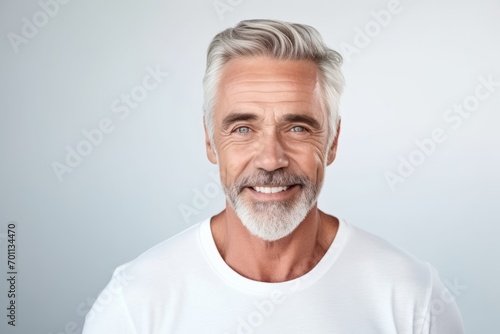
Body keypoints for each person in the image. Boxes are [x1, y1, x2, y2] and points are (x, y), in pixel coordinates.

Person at [82, 19, 465, 333]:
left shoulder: (413, 298)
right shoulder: (135, 303)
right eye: (243, 129)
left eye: (297, 127)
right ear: (210, 142)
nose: (270, 159)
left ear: (332, 142)